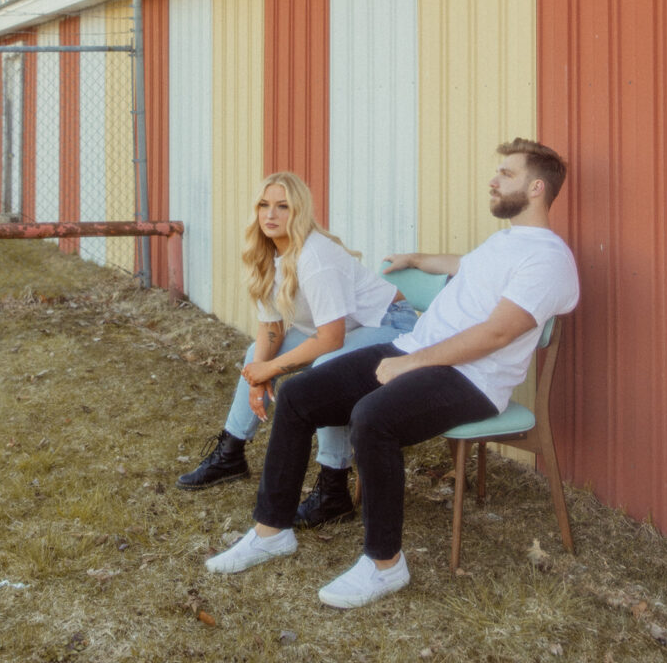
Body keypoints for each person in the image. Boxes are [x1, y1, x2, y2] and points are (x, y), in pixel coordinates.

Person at [203, 139, 580, 609]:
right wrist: (419, 260)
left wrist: (411, 362)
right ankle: (271, 530)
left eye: (506, 173)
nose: (493, 179)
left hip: (473, 380)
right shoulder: (505, 242)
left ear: (537, 187)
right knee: (299, 395)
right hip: (415, 348)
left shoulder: (548, 259)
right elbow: (467, 268)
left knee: (372, 417)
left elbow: (499, 334)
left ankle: (385, 564)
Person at [176, 170, 417, 528]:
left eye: (282, 207)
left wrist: (272, 370)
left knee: (328, 369)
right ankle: (231, 453)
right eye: (264, 205)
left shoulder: (314, 258)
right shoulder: (267, 253)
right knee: (253, 356)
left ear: (299, 212)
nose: (270, 215)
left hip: (390, 325)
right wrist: (258, 375)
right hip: (341, 331)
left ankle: (334, 489)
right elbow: (271, 327)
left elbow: (331, 339)